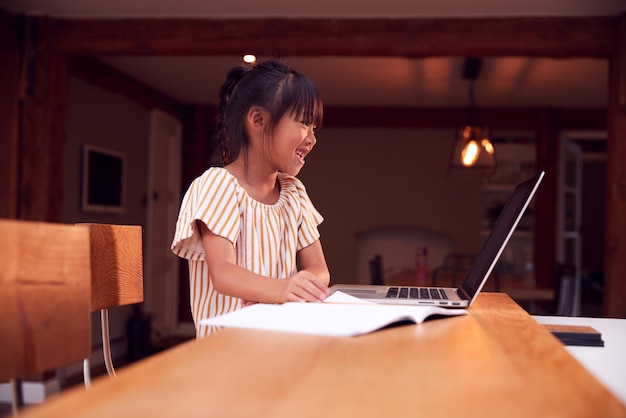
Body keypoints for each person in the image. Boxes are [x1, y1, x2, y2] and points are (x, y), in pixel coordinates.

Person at [171, 59, 331, 337]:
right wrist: (280, 290)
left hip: (278, 345)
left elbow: (319, 269)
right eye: (304, 123)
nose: (312, 138)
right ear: (258, 120)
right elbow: (223, 274)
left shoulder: (294, 193)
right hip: (226, 355)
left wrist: (292, 289)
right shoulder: (217, 186)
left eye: (314, 128)